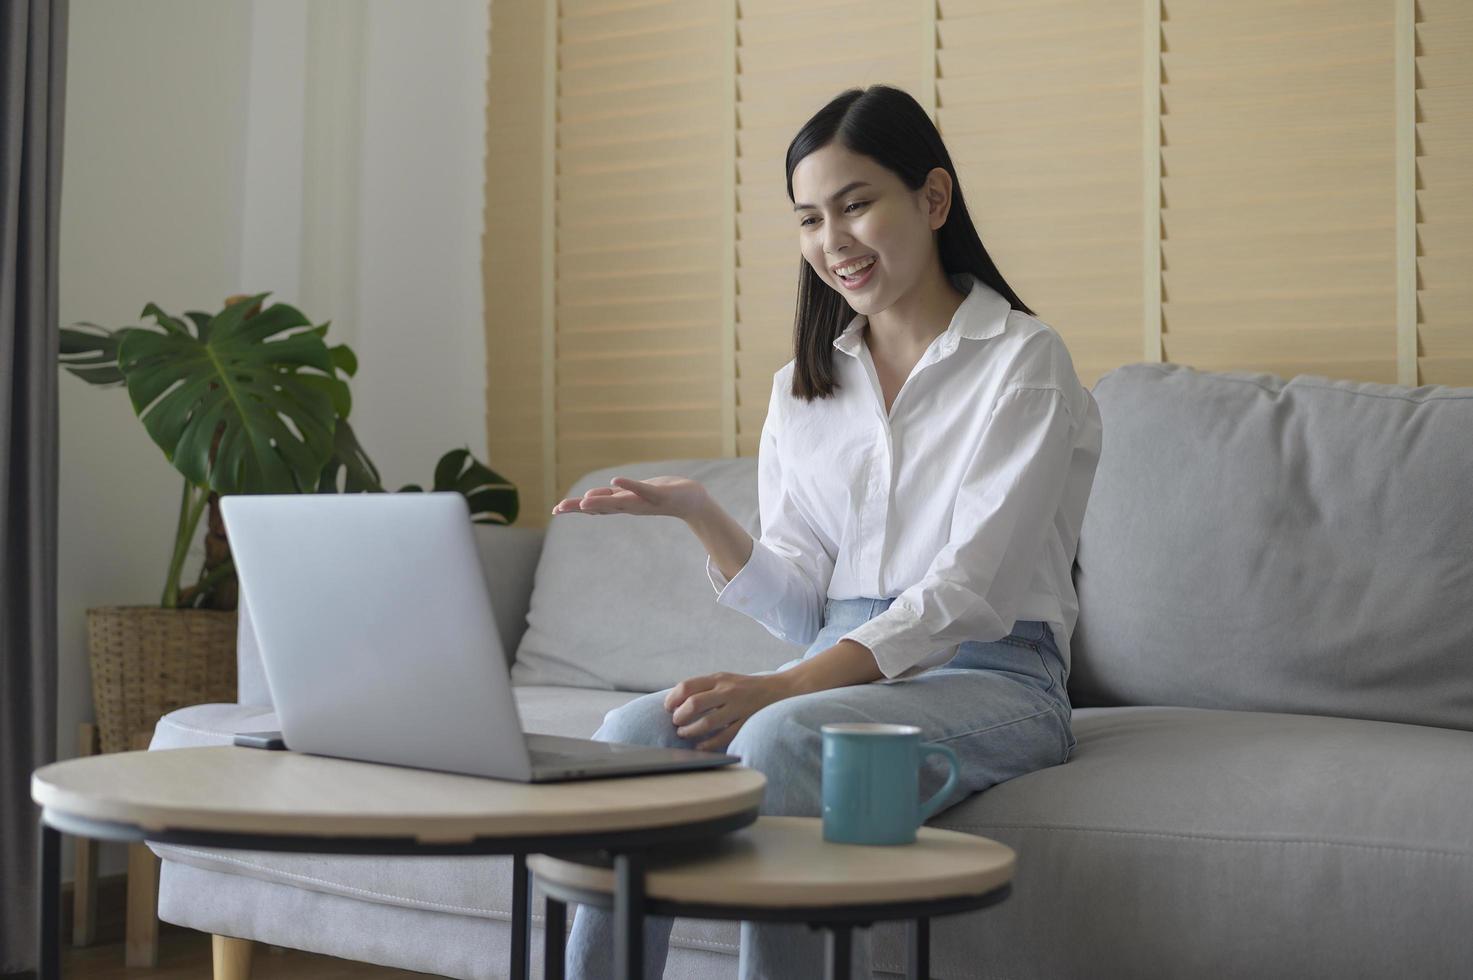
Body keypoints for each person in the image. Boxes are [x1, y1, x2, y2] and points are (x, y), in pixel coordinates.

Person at [550, 83, 1103, 980]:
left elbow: (970, 590)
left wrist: (788, 690)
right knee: (627, 737)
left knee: (781, 739)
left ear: (931, 199)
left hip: (997, 674)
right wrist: (701, 513)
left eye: (855, 205)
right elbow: (804, 604)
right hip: (840, 661)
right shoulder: (803, 386)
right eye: (808, 218)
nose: (831, 241)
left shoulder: (1024, 362)